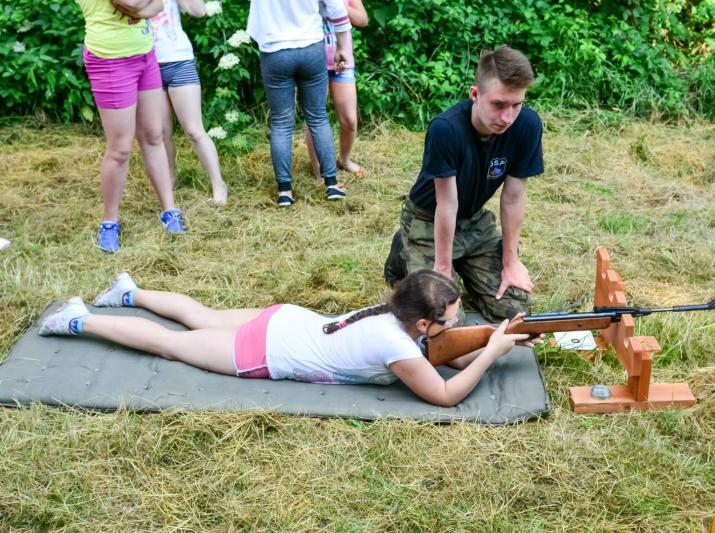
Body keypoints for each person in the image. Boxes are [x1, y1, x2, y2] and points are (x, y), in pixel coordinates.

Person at [38, 270, 533, 407]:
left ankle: (128, 292)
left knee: (200, 315)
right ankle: (77, 321)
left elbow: (443, 352)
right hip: (266, 349)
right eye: (450, 318)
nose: (454, 324)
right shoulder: (399, 347)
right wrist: (491, 350)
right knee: (168, 344)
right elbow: (444, 394)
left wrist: (490, 338)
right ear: (423, 324)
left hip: (287, 320)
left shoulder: (395, 316)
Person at [384, 46, 544, 323]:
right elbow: (447, 204)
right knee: (442, 318)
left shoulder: (527, 125)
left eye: (516, 105)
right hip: (428, 218)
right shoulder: (445, 128)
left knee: (515, 308)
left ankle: (460, 260)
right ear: (475, 94)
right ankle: (404, 251)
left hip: (473, 221)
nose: (507, 117)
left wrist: (511, 262)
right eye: (498, 105)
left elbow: (514, 197)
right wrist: (443, 269)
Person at [77, 0, 187, 253]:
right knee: (120, 149)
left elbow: (157, 6)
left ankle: (170, 211)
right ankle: (109, 223)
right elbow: (127, 1)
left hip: (144, 53)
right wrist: (141, 8)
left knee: (153, 135)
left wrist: (141, 9)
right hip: (109, 59)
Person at [247, 0, 351, 206]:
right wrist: (341, 46)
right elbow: (337, 8)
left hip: (275, 51)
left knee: (281, 123)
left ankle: (284, 191)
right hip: (311, 47)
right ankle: (331, 184)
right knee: (318, 117)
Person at [150, 0, 228, 205]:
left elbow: (199, 11)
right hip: (148, 65)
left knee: (194, 131)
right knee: (161, 133)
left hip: (179, 60)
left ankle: (218, 184)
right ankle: (171, 180)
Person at [304, 0, 368, 180]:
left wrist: (339, 5)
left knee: (350, 120)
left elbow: (363, 20)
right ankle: (319, 169)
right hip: (313, 62)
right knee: (315, 119)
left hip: (343, 62)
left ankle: (344, 160)